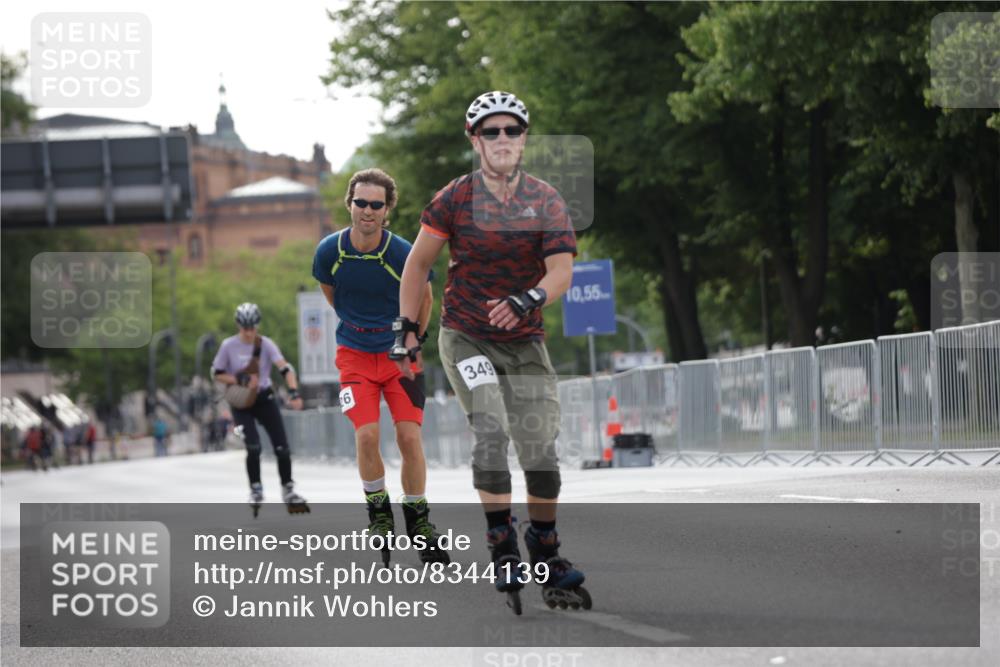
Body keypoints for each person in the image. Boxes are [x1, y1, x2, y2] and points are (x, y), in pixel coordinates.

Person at [394, 91, 589, 609]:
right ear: (474, 139)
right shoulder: (454, 198)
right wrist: (408, 329)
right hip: (467, 335)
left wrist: (529, 297)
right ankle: (501, 544)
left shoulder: (546, 199)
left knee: (541, 452)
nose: (502, 140)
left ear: (524, 138)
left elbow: (561, 270)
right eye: (490, 131)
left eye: (511, 131)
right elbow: (417, 266)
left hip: (524, 340)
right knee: (491, 428)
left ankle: (544, 550)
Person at [312, 167, 448, 565]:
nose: (367, 211)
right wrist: (359, 327)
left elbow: (424, 298)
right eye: (361, 203)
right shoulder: (329, 251)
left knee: (409, 438)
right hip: (353, 354)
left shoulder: (402, 252)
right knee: (367, 435)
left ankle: (420, 521)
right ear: (349, 204)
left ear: (387, 210)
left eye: (376, 205)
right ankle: (378, 511)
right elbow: (332, 294)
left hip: (399, 353)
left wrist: (412, 340)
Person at [212, 302, 309, 514]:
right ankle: (255, 488)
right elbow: (217, 372)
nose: (249, 332)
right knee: (253, 446)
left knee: (282, 446)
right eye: (245, 328)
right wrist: (239, 378)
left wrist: (293, 392)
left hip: (265, 399)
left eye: (252, 327)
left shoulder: (265, 344)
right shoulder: (228, 346)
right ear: (239, 326)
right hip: (241, 403)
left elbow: (285, 368)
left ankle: (288, 488)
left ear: (257, 325)